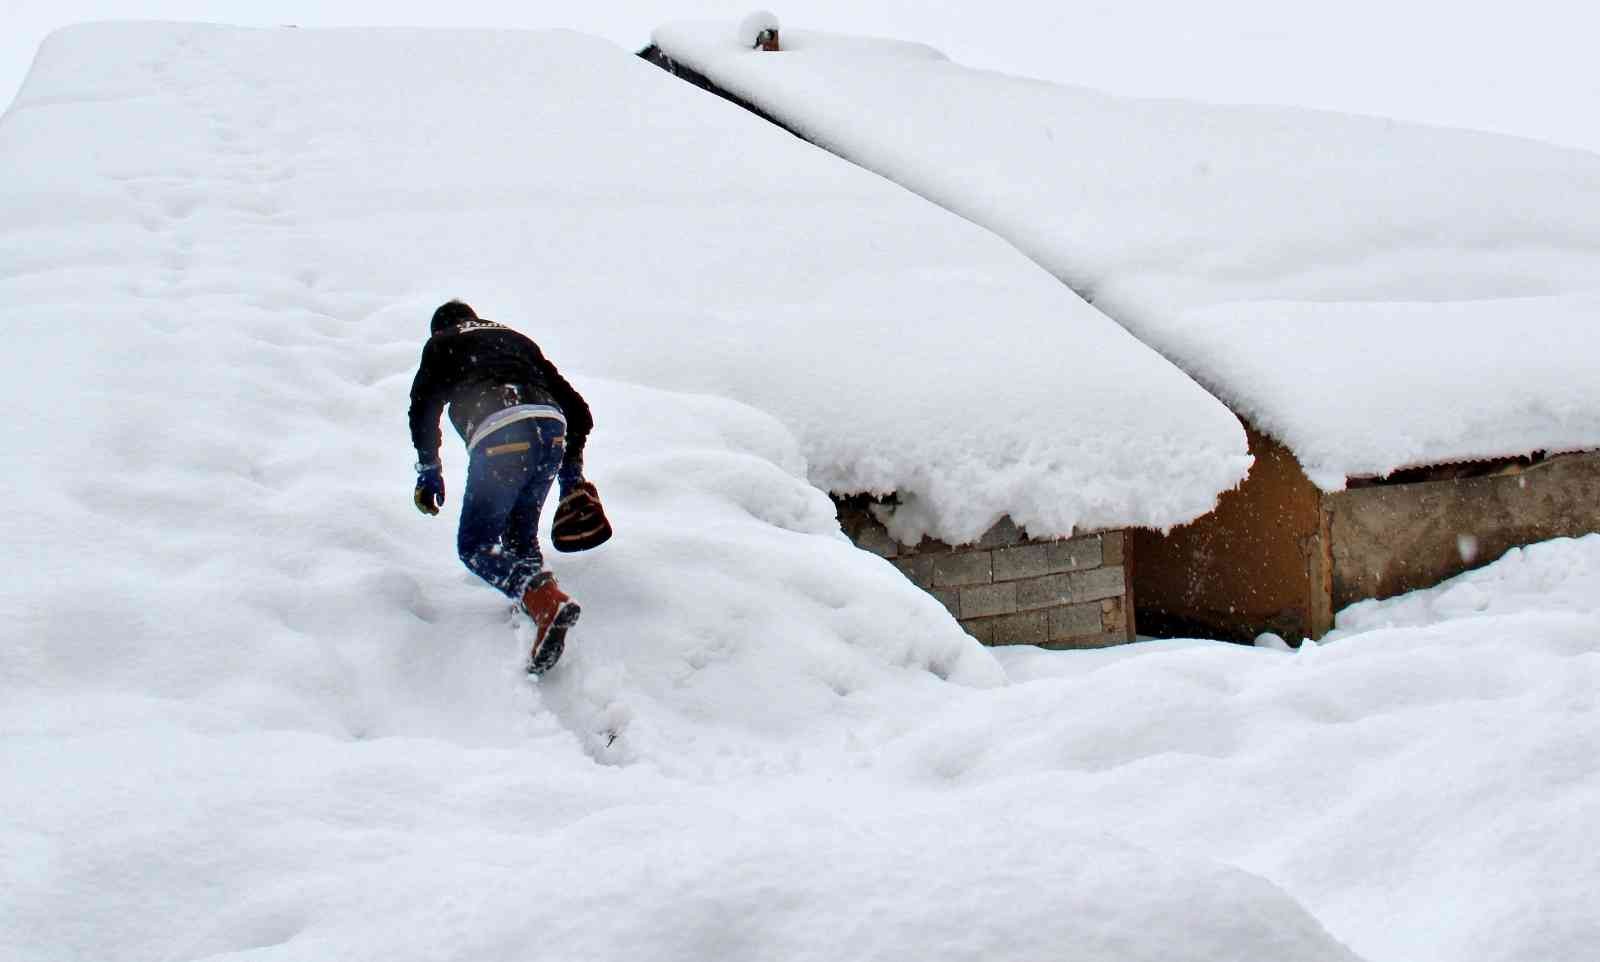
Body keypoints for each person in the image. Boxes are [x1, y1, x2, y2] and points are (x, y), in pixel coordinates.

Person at [408, 300, 598, 673]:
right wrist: (571, 478)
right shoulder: (514, 339)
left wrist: (429, 467)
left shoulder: (443, 341)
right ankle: (539, 619)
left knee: (476, 545)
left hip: (500, 429)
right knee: (519, 541)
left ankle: (545, 602)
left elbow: (423, 405)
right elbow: (578, 411)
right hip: (551, 428)